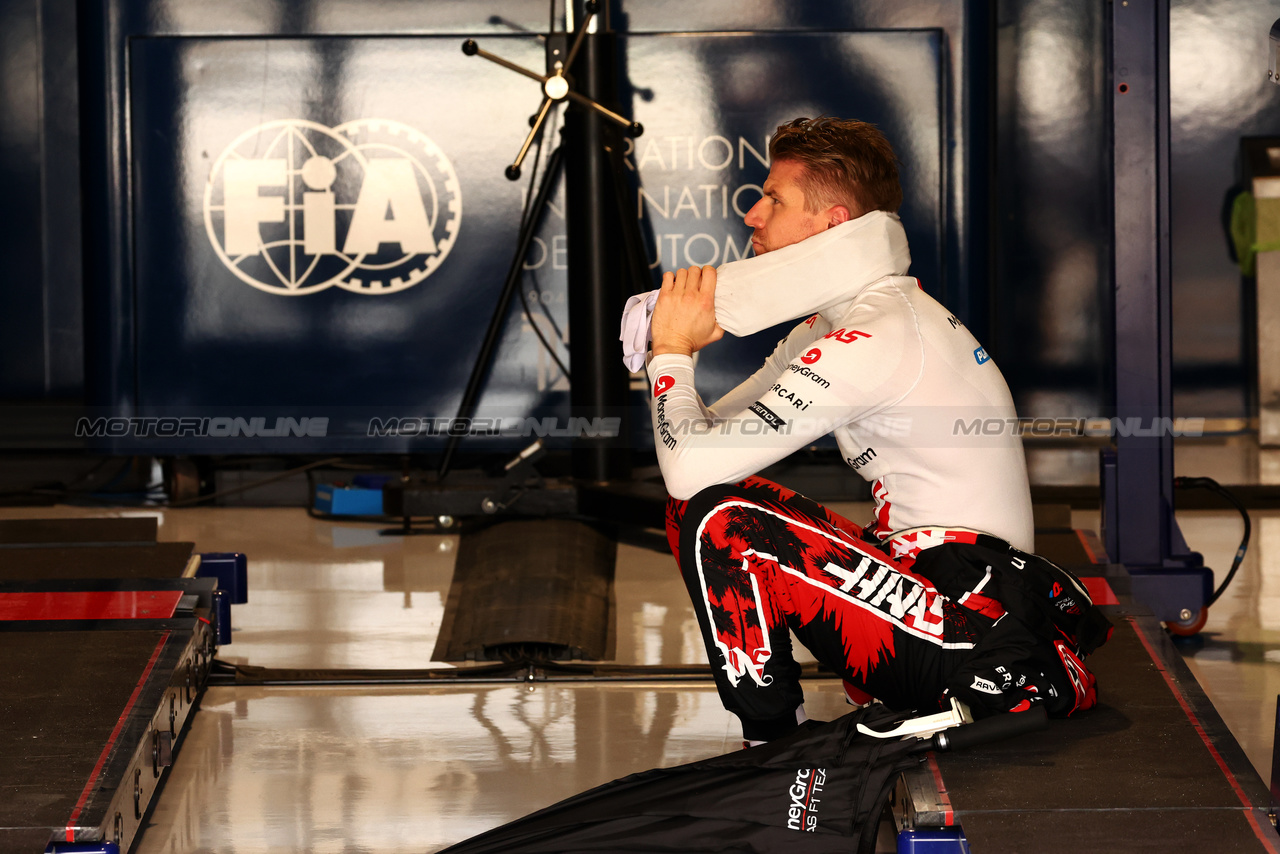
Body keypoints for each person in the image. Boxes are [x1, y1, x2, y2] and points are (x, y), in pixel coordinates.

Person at [644, 117, 1110, 744]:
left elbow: (687, 465)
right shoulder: (842, 324)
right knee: (699, 507)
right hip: (925, 586)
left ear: (834, 224)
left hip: (976, 633)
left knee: (722, 521)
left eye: (774, 198)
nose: (752, 214)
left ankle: (773, 749)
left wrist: (671, 353)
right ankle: (780, 736)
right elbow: (701, 448)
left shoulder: (877, 335)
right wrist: (671, 350)